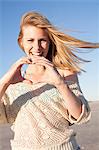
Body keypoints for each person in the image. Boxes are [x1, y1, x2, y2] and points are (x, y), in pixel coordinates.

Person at [0, 11, 99, 150]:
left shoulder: (64, 72)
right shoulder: (13, 80)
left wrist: (59, 83)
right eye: (30, 40)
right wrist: (4, 82)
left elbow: (80, 116)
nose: (37, 47)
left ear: (49, 42)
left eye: (42, 40)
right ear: (21, 42)